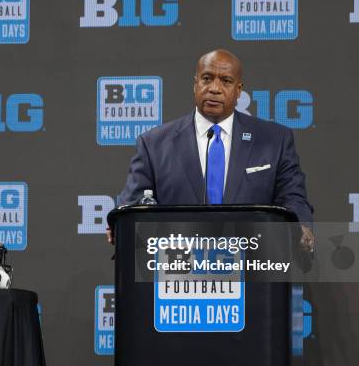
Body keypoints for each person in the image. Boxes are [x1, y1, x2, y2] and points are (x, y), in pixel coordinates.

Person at [109, 49, 314, 251]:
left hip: (253, 265)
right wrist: (121, 226)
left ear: (239, 90)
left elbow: (292, 196)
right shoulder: (154, 143)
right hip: (176, 268)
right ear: (195, 84)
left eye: (225, 81)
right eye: (207, 78)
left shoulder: (274, 140)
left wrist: (300, 227)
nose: (214, 88)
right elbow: (134, 204)